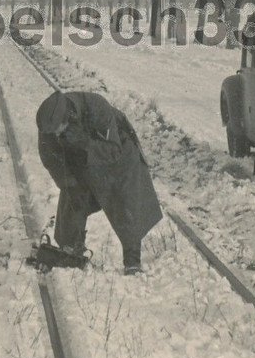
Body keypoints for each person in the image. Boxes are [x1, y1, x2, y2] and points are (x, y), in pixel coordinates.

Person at [35, 90, 162, 275]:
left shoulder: (95, 107)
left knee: (126, 200)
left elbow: (113, 150)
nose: (56, 134)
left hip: (119, 153)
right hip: (82, 159)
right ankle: (70, 249)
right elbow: (51, 161)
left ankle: (132, 260)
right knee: (72, 196)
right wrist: (70, 184)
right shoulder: (48, 126)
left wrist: (84, 144)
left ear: (68, 117)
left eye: (58, 130)